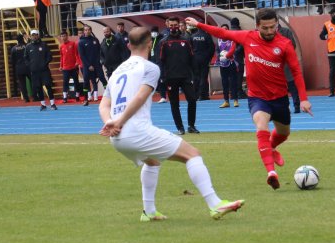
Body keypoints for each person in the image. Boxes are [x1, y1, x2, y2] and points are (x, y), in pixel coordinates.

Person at [98, 26, 245, 222]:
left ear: (128, 44)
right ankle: (215, 204)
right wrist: (120, 122)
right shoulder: (149, 67)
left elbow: (103, 103)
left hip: (117, 139)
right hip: (135, 131)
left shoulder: (116, 71)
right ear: (150, 44)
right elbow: (141, 96)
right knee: (192, 155)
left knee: (152, 161)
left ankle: (148, 212)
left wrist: (110, 122)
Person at [185, 9, 312, 190]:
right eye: (265, 28)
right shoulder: (247, 37)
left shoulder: (284, 44)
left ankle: (271, 149)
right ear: (257, 26)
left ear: (277, 24)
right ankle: (271, 173)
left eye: (273, 27)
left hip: (280, 97)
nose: (269, 31)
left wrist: (304, 99)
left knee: (283, 133)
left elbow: (297, 72)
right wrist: (199, 24)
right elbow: (222, 32)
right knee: (261, 125)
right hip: (257, 97)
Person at [159, 17, 199, 135]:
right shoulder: (163, 42)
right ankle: (180, 128)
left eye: (175, 25)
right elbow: (160, 61)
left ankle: (191, 126)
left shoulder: (186, 40)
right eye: (171, 25)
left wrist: (195, 75)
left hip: (186, 76)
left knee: (192, 100)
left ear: (179, 25)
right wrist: (163, 77)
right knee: (174, 103)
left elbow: (192, 58)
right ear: (168, 26)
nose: (173, 27)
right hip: (170, 78)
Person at [25, 29, 57, 110]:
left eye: (35, 35)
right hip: (35, 71)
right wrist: (30, 66)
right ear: (31, 36)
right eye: (32, 35)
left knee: (48, 86)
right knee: (38, 87)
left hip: (44, 70)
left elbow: (49, 56)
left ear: (38, 35)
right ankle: (43, 104)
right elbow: (25, 58)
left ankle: (52, 104)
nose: (34, 36)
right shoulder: (28, 47)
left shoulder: (44, 45)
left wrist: (45, 64)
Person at [188, 22, 216, 100]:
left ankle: (196, 95)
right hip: (204, 59)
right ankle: (203, 95)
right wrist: (209, 58)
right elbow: (212, 48)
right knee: (203, 77)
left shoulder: (192, 36)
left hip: (195, 59)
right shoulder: (207, 36)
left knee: (196, 77)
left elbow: (189, 48)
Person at [78, 25, 105, 105]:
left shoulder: (95, 40)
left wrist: (99, 62)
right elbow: (82, 56)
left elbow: (99, 52)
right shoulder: (81, 42)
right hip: (87, 66)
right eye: (85, 30)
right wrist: (89, 65)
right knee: (86, 82)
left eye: (88, 30)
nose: (87, 31)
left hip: (97, 64)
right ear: (84, 31)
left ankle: (109, 97)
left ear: (91, 30)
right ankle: (86, 99)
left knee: (103, 79)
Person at [216, 25, 239, 107]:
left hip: (231, 63)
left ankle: (235, 100)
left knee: (233, 82)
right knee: (224, 82)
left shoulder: (232, 40)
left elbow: (234, 50)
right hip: (223, 64)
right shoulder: (219, 40)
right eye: (223, 29)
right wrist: (219, 56)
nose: (224, 30)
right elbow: (217, 51)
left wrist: (227, 55)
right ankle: (226, 101)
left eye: (226, 29)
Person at [58, 30, 82, 103]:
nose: (63, 37)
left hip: (73, 67)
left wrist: (77, 62)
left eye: (64, 36)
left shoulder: (73, 44)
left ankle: (77, 96)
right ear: (61, 37)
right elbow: (61, 57)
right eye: (62, 36)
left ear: (67, 36)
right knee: (65, 82)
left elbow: (76, 54)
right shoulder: (61, 46)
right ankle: (65, 97)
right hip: (65, 68)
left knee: (76, 82)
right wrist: (60, 66)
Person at [10, 34, 32, 102]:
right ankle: (35, 96)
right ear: (22, 38)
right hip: (28, 67)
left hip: (19, 68)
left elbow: (12, 60)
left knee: (22, 84)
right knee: (33, 81)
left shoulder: (14, 48)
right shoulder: (26, 46)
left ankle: (26, 98)